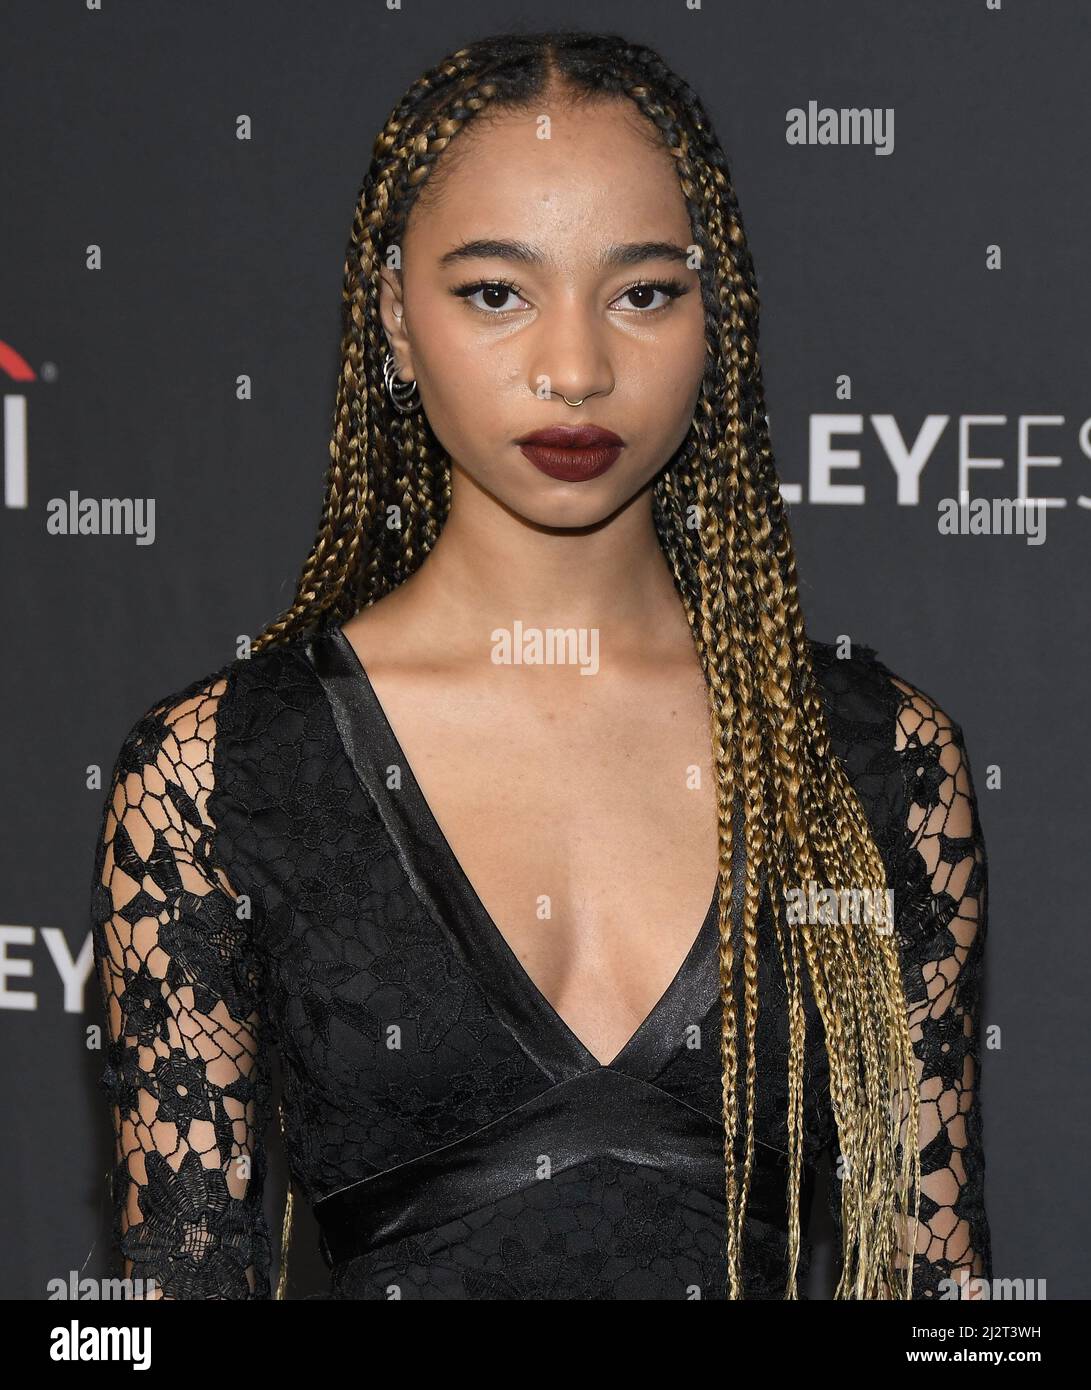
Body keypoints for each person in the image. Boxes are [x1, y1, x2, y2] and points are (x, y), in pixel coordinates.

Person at [88, 29, 991, 1300]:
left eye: (641, 292)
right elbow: (163, 1301)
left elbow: (938, 1289)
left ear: (711, 317)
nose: (575, 370)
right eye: (496, 292)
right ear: (396, 317)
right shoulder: (219, 772)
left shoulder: (874, 761)